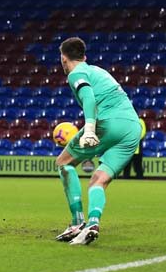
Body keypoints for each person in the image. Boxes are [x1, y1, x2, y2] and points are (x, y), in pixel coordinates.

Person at [54, 37, 141, 245]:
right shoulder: (99, 71)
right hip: (132, 128)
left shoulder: (77, 73)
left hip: (108, 123)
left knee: (63, 163)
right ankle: (93, 223)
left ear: (64, 59)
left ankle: (77, 222)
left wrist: (90, 128)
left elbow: (89, 98)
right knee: (99, 180)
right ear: (84, 57)